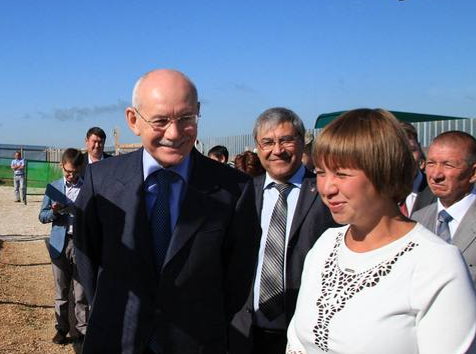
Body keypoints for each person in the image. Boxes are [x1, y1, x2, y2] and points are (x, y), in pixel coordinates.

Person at [74, 69, 258, 354]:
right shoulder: (101, 181)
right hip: (116, 338)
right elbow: (88, 257)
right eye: (160, 121)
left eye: (186, 118)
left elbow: (238, 279)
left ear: (198, 112)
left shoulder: (234, 189)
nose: (174, 133)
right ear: (133, 120)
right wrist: (115, 308)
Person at [286, 109, 476, 354]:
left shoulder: (436, 263)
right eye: (321, 172)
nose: (327, 188)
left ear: (384, 173)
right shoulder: (325, 244)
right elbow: (298, 340)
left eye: (341, 174)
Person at [229, 107, 335, 354]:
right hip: (246, 333)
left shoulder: (326, 193)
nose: (277, 150)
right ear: (257, 147)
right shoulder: (242, 193)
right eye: (267, 142)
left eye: (286, 140)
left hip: (305, 333)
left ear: (301, 142)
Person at [411, 131, 476, 282]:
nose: (436, 175)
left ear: (473, 173)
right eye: (431, 163)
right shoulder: (417, 220)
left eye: (448, 165)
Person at [39, 148, 89, 344]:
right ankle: (61, 329)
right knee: (61, 291)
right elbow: (42, 216)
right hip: (59, 243)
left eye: (75, 172)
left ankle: (83, 330)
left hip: (81, 244)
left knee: (81, 292)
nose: (71, 176)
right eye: (68, 172)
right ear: (62, 166)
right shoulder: (53, 187)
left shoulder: (88, 188)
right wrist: (54, 212)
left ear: (80, 168)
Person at [400, 122, 432, 216]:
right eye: (397, 151)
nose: (406, 159)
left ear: (419, 148)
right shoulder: (375, 195)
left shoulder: (438, 193)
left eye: (411, 150)